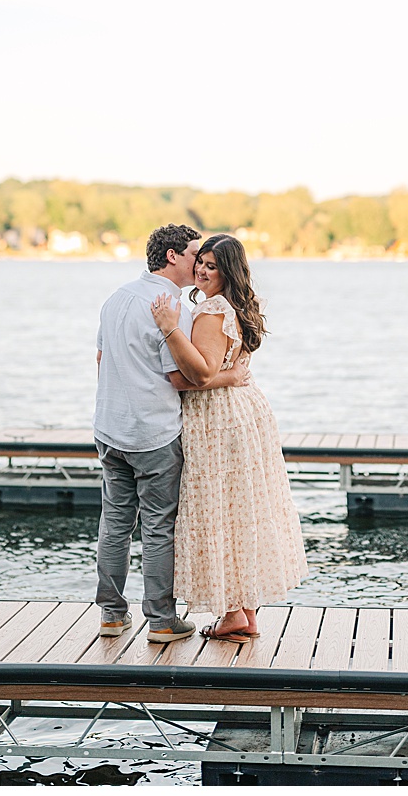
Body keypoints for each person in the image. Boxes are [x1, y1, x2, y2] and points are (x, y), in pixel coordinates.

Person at [150, 232, 308, 642]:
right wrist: (232, 375)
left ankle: (233, 613)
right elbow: (225, 369)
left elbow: (197, 375)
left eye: (211, 266)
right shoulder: (237, 306)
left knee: (218, 511)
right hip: (246, 412)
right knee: (244, 511)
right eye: (200, 262)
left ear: (228, 272)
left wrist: (169, 332)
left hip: (217, 420)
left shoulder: (210, 312)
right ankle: (246, 614)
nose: (201, 269)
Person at [93, 223, 247, 643]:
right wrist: (231, 376)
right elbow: (188, 376)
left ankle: (111, 614)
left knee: (115, 523)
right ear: (173, 256)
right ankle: (161, 621)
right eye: (195, 253)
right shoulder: (168, 306)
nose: (199, 262)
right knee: (158, 528)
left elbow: (102, 359)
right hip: (154, 433)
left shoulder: (116, 298)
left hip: (109, 428)